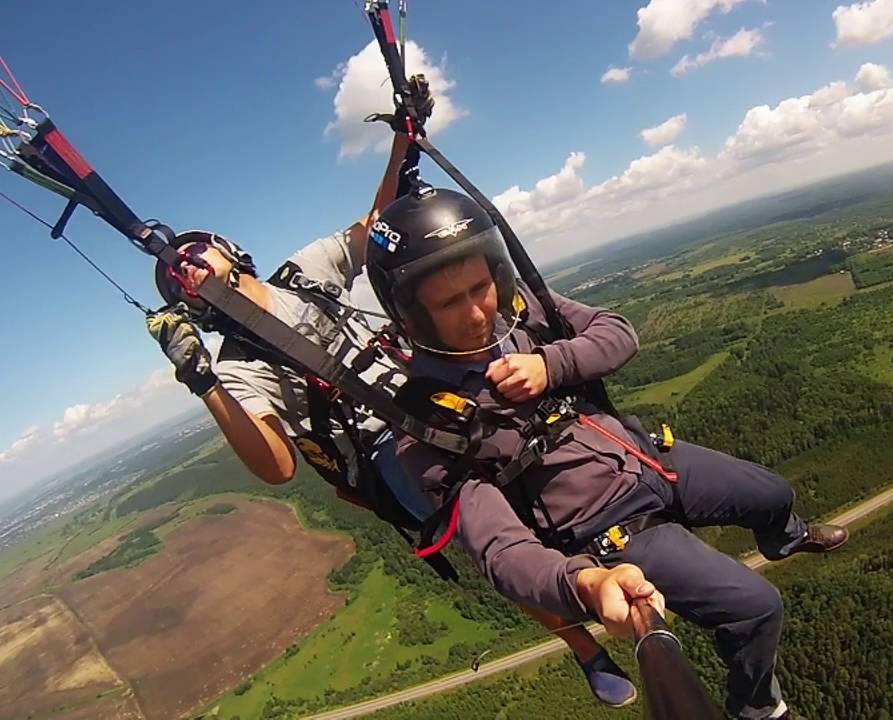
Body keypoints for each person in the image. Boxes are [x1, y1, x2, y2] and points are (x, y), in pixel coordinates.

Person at [143, 79, 637, 708]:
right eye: (174, 274)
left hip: (425, 374)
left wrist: (403, 140)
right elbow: (277, 466)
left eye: (189, 253)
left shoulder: (304, 273)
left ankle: (638, 501)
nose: (185, 266)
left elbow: (378, 231)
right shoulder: (238, 366)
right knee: (476, 519)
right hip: (385, 439)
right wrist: (204, 382)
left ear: (225, 250)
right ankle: (583, 643)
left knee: (545, 393)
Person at [366, 186, 849, 720]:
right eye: (449, 302)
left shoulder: (523, 311)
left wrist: (553, 365)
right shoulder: (426, 421)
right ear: (410, 313)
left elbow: (618, 333)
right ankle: (756, 705)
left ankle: (784, 537)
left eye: (481, 287)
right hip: (609, 529)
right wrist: (584, 581)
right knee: (758, 607)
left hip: (648, 461)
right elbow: (499, 550)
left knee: (775, 494)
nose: (477, 313)